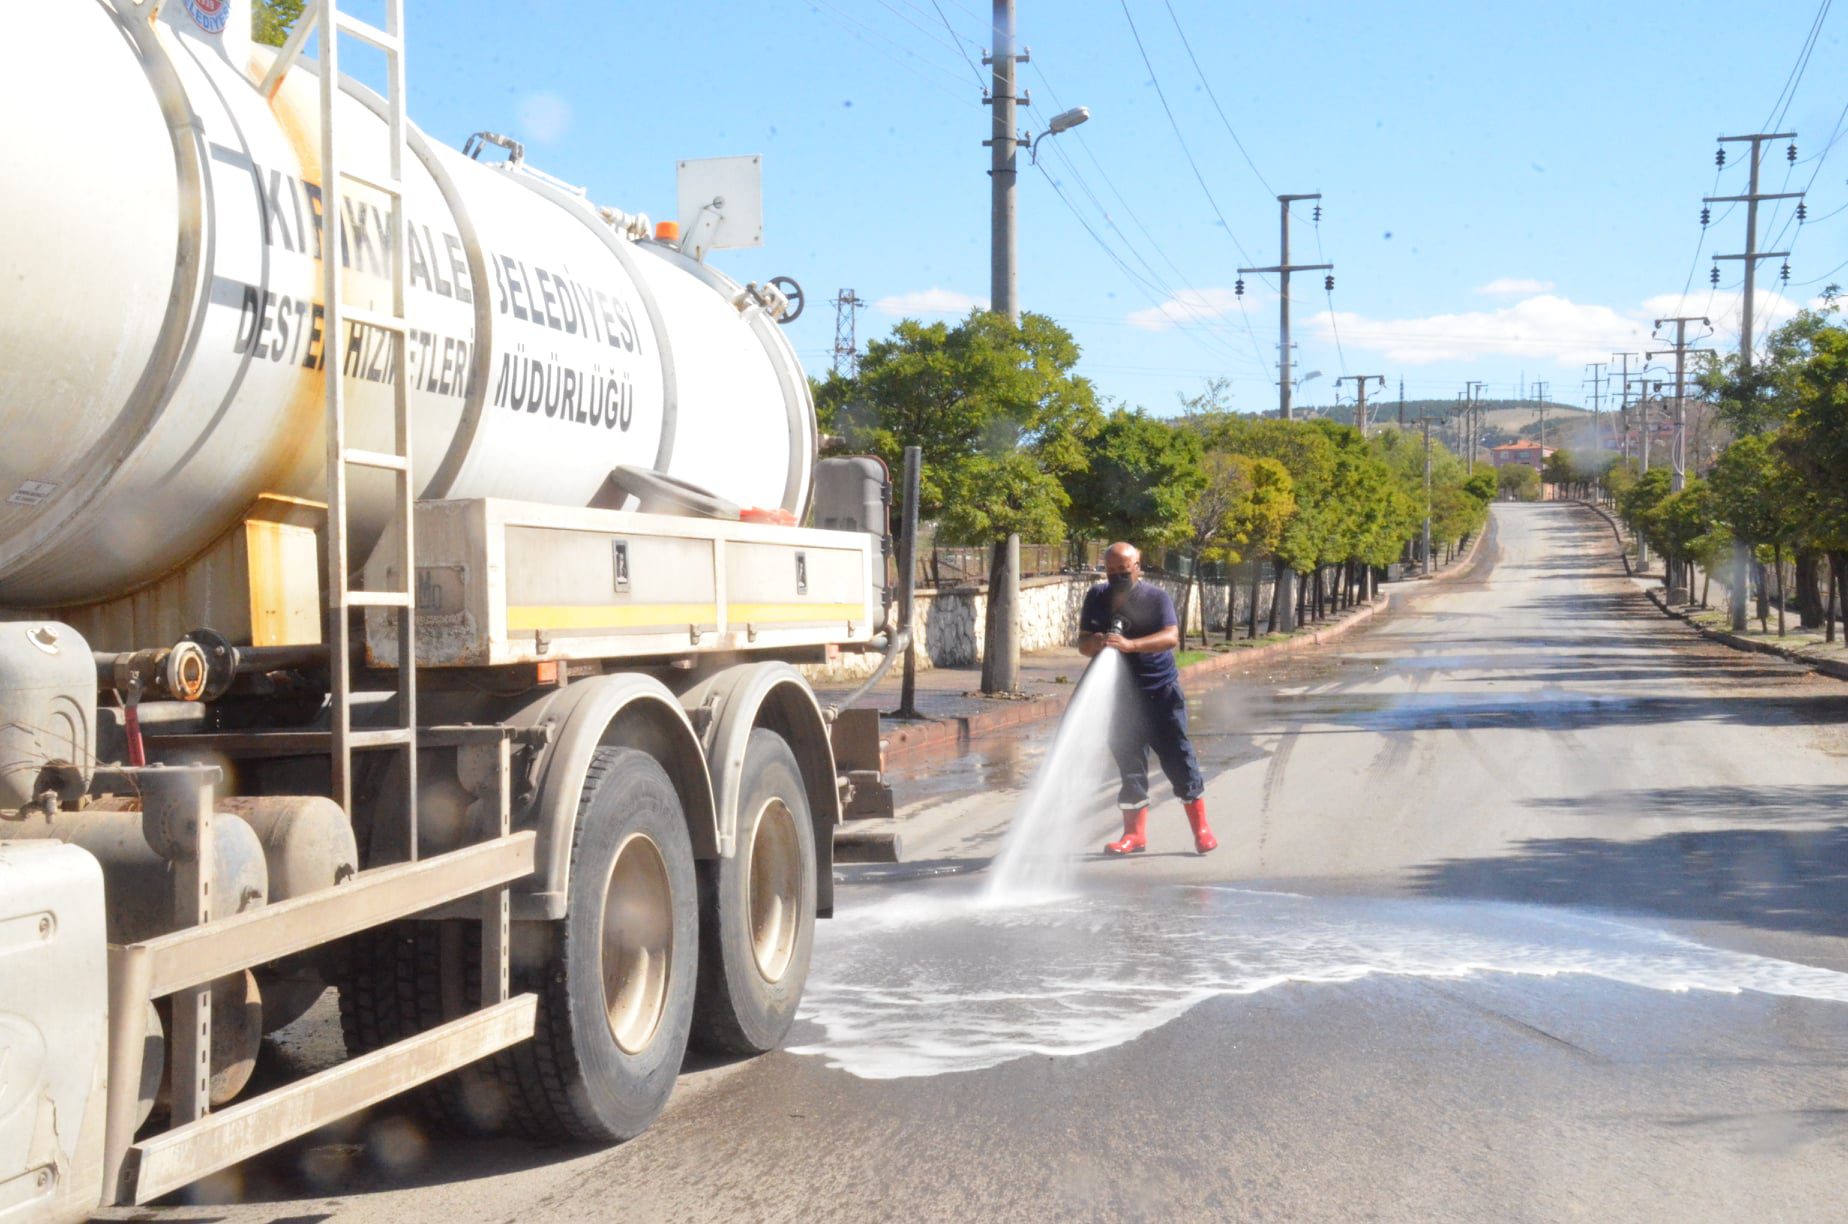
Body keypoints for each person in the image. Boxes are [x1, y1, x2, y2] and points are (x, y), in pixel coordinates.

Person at [1077, 542, 1216, 856]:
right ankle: (1134, 835)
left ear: (1138, 566)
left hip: (1159, 693)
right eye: (1111, 571)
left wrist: (1130, 645)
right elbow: (1083, 643)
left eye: (1123, 570)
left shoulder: (1156, 598)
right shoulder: (1097, 597)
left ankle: (1201, 830)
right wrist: (1097, 641)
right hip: (1119, 698)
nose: (1117, 576)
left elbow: (1171, 637)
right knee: (1130, 766)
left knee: (1179, 759)